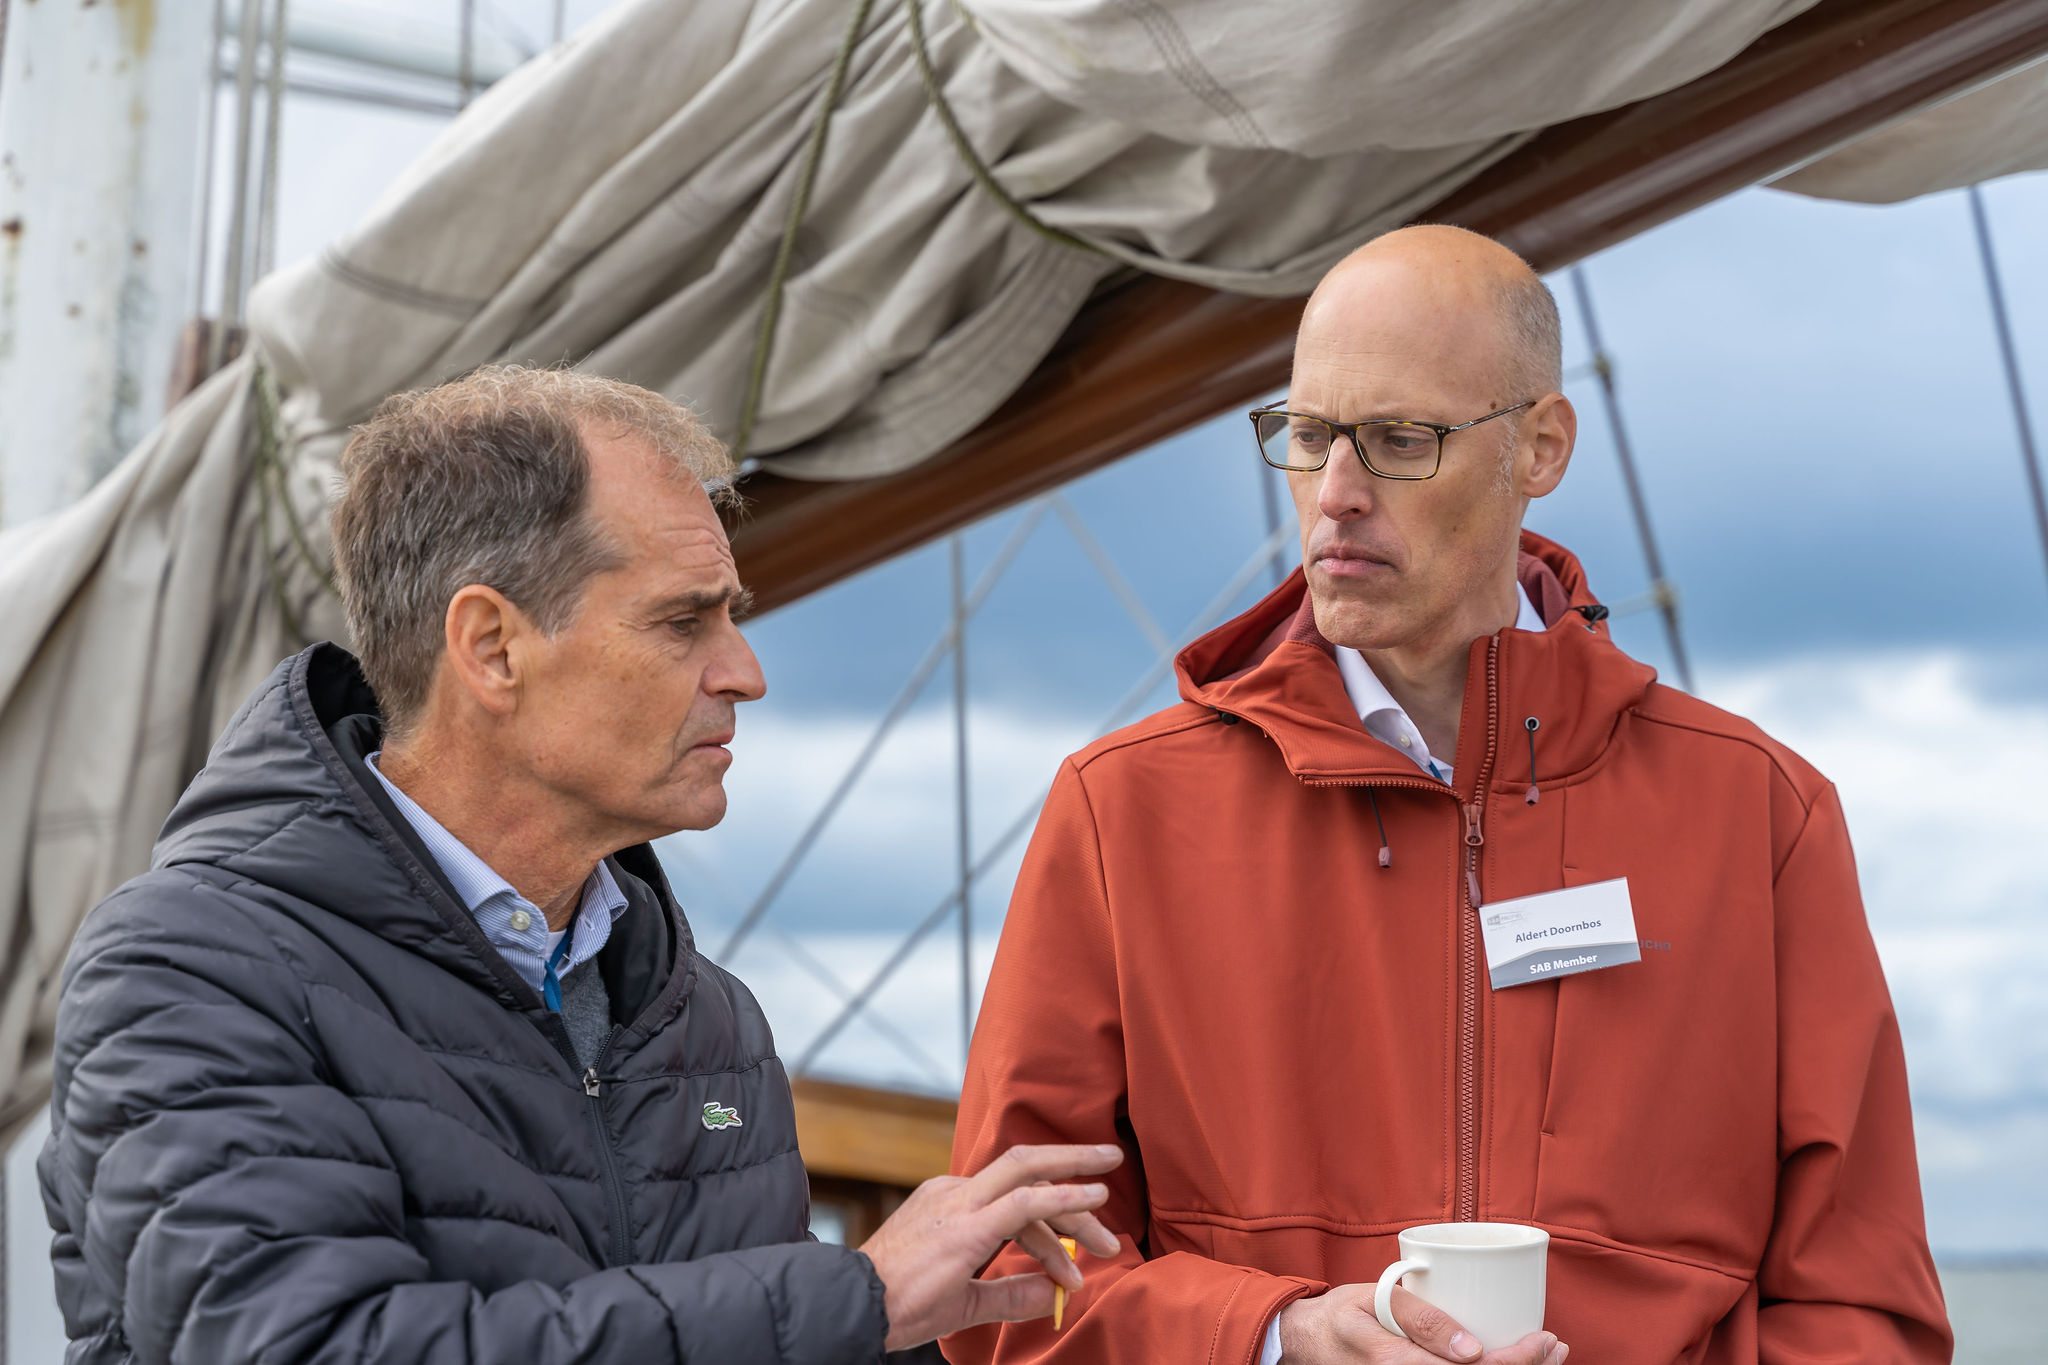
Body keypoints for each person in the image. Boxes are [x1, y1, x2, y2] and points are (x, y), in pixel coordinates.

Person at [947, 226, 1952, 1365]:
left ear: (1540, 447)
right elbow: (1005, 1273)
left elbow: (1862, 1309)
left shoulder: (1762, 816)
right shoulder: (1118, 812)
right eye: (1309, 437)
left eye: (1398, 441)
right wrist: (1269, 1338)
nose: (1334, 496)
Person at [37, 366, 1124, 1364]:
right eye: (683, 622)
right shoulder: (184, 968)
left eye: (731, 618)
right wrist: (856, 1298)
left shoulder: (706, 1022)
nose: (744, 672)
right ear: (491, 647)